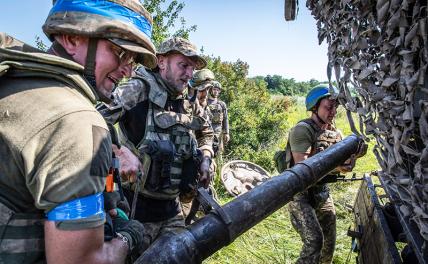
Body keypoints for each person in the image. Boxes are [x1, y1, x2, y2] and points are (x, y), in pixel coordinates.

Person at [0, 0, 157, 263]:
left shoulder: (15, 81)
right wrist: (128, 239)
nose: (129, 69)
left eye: (133, 59)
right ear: (72, 38)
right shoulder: (77, 121)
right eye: (120, 52)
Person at [97, 37, 214, 252]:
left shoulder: (190, 100)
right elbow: (94, 121)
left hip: (174, 210)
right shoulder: (138, 89)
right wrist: (119, 152)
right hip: (135, 212)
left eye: (193, 68)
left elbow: (206, 132)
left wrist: (206, 157)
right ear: (161, 62)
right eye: (183, 65)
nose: (189, 74)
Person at [287, 84, 358, 264]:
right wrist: (337, 166)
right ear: (314, 107)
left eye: (336, 107)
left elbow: (343, 163)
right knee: (314, 242)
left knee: (329, 242)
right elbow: (303, 169)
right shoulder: (302, 130)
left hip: (321, 191)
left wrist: (348, 163)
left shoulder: (335, 133)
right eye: (328, 107)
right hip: (300, 194)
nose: (333, 111)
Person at [207, 81, 230, 157]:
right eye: (214, 89)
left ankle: (218, 168)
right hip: (206, 131)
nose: (216, 91)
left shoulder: (221, 104)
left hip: (218, 132)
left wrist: (226, 133)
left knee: (218, 153)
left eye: (218, 90)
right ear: (210, 89)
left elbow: (225, 118)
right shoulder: (204, 101)